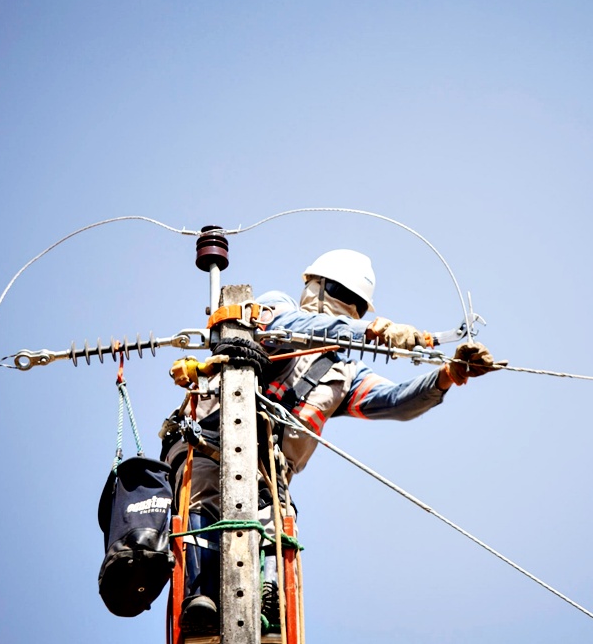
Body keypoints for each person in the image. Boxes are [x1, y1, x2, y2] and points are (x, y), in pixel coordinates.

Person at [160, 249, 504, 635]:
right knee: (207, 495)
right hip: (208, 440)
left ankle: (268, 608)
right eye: (343, 294)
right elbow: (296, 325)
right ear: (315, 286)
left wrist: (447, 375)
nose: (350, 309)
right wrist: (374, 332)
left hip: (270, 472)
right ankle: (200, 599)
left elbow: (395, 401)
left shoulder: (344, 373)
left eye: (357, 305)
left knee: (273, 520)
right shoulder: (273, 310)